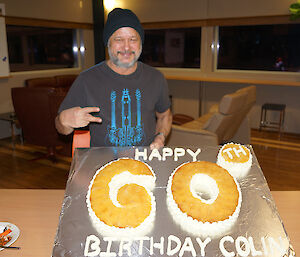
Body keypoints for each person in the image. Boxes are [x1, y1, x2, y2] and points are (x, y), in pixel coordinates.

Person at [55, 8, 172, 149]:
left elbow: (164, 116)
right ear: (108, 43)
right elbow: (62, 128)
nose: (127, 47)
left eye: (133, 39)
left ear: (140, 43)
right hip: (102, 164)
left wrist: (160, 136)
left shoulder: (156, 78)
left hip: (144, 161)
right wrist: (63, 121)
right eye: (119, 39)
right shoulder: (87, 79)